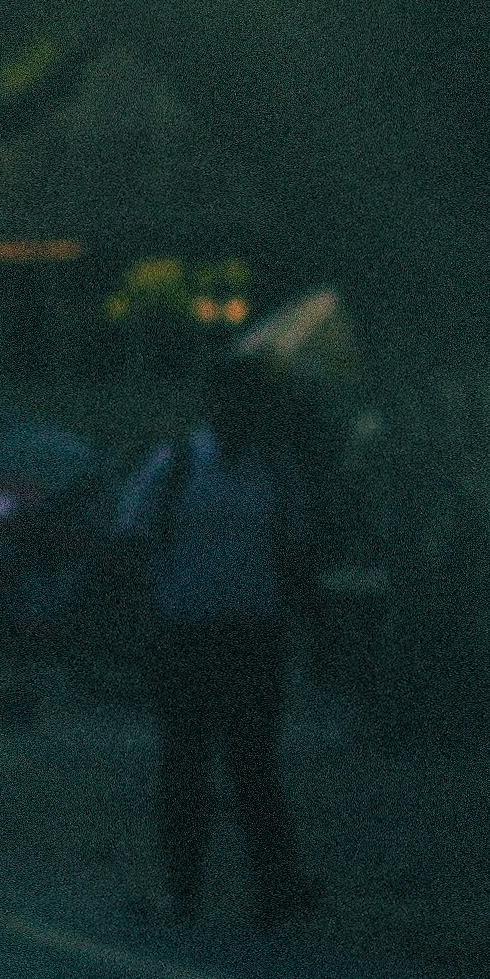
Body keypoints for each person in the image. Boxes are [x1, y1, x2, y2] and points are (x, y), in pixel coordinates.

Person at [114, 351, 326, 927]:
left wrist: (303, 628)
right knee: (186, 762)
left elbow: (298, 553)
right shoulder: (177, 464)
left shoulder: (275, 472)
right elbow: (131, 540)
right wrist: (142, 622)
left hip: (252, 635)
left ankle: (272, 890)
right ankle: (186, 887)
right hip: (186, 634)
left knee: (251, 762)